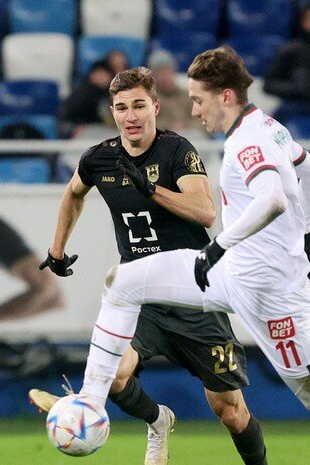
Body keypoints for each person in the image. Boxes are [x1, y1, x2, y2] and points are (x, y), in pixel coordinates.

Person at [55, 48, 310, 465]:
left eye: (199, 100)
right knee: (121, 282)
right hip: (231, 275)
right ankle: (90, 402)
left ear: (225, 96)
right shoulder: (267, 125)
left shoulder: (245, 142)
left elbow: (272, 199)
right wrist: (304, 232)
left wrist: (219, 245)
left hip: (268, 292)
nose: (194, 110)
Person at [30, 67, 271, 465]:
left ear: (155, 107)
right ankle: (158, 421)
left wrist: (151, 189)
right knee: (114, 375)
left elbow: (206, 211)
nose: (131, 116)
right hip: (142, 299)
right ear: (112, 112)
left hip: (194, 296)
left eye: (139, 105)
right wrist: (57, 249)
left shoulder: (177, 151)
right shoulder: (99, 158)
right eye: (122, 107)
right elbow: (74, 192)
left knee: (230, 411)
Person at [147, 49, 204, 134]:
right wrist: (168, 127)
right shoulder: (149, 100)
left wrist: (185, 126)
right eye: (160, 72)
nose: (164, 76)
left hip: (191, 137)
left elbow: (202, 121)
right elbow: (145, 124)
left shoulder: (188, 96)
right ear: (152, 76)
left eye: (167, 71)